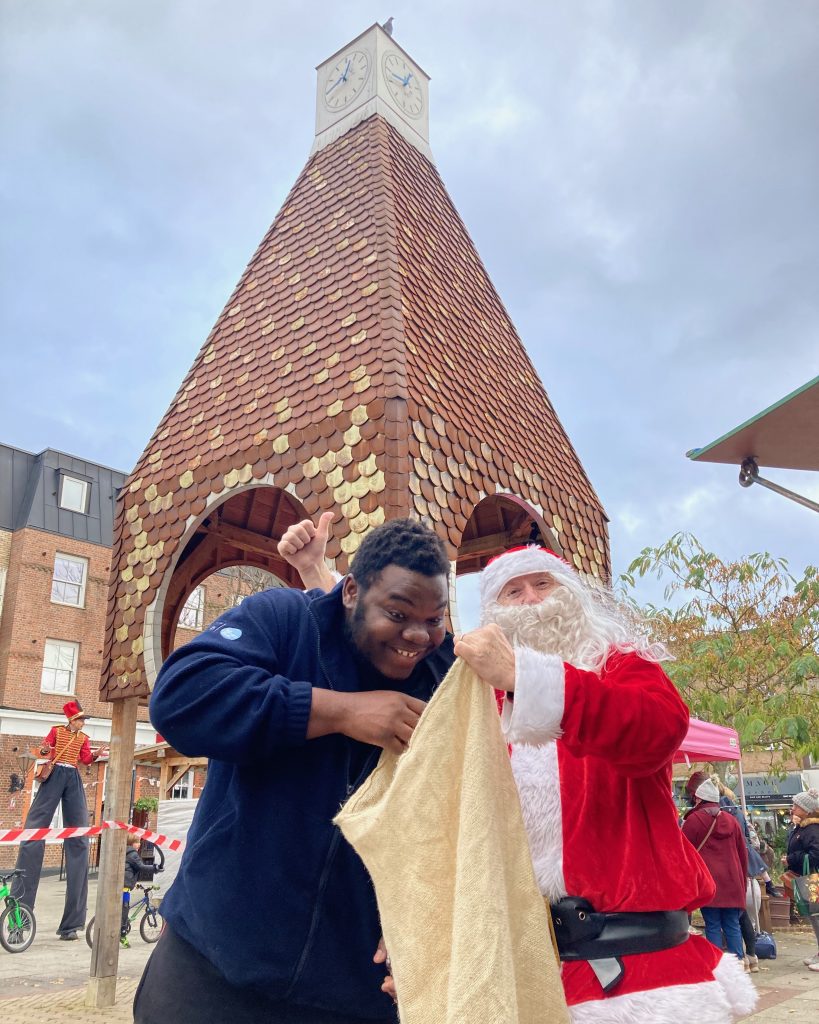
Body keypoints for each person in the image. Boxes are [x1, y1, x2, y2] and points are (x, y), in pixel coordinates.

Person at [286, 530, 757, 1022]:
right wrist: (424, 948)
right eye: (514, 591)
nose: (531, 599)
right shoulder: (475, 705)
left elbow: (657, 730)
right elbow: (445, 831)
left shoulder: (619, 665)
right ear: (495, 612)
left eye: (543, 584)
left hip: (642, 978)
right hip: (517, 975)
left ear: (572, 594)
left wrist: (525, 678)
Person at [134, 517, 453, 1024]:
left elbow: (458, 818)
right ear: (351, 592)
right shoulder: (284, 620)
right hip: (211, 970)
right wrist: (340, 712)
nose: (418, 635)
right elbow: (181, 698)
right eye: (397, 613)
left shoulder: (445, 680)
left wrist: (424, 917)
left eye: (435, 619)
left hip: (353, 992)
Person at [11, 700, 107, 940]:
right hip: (55, 774)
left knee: (79, 839)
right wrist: (45, 750)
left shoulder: (83, 738)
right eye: (81, 719)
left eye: (83, 720)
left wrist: (95, 755)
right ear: (72, 719)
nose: (83, 723)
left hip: (73, 776)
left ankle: (71, 924)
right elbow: (45, 749)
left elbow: (85, 759)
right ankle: (18, 922)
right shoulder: (56, 731)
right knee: (33, 837)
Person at [681, 778, 749, 963]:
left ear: (698, 799)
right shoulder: (731, 820)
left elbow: (684, 853)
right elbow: (742, 854)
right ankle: (737, 964)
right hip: (732, 880)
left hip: (709, 881)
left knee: (712, 925)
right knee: (732, 924)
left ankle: (716, 964)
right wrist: (743, 882)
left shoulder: (694, 820)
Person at [782, 788, 819, 971]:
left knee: (817, 917)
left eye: (796, 805)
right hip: (807, 878)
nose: (793, 808)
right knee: (814, 917)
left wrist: (791, 859)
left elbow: (815, 854)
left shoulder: (812, 829)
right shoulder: (802, 827)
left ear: (807, 809)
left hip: (813, 879)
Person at [121, 833, 163, 949]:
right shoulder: (132, 853)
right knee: (124, 909)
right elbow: (141, 867)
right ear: (131, 843)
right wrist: (155, 868)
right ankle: (122, 933)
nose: (139, 844)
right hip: (124, 887)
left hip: (123, 884)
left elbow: (129, 869)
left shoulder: (124, 851)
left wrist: (135, 883)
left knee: (122, 908)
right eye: (137, 842)